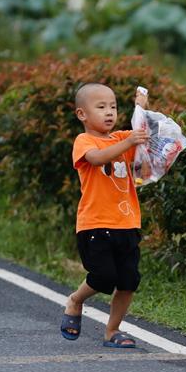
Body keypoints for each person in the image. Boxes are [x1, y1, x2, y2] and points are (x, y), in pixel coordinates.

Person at [60, 83, 150, 348]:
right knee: (103, 277)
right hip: (95, 226)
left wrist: (141, 108)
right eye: (101, 107)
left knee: (129, 280)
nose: (109, 112)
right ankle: (76, 300)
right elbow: (98, 159)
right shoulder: (84, 141)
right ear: (82, 115)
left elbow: (142, 151)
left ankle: (113, 331)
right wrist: (128, 141)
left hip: (128, 222)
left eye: (113, 106)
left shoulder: (123, 137)